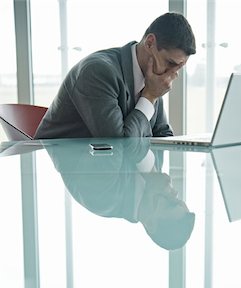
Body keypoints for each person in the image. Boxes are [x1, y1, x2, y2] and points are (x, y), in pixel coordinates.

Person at [34, 12, 196, 139]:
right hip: (64, 168)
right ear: (150, 43)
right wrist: (149, 97)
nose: (173, 74)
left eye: (180, 67)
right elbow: (119, 146)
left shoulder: (153, 74)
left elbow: (162, 134)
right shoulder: (98, 71)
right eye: (171, 63)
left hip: (108, 172)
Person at [46, 138, 195, 250]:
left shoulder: (104, 197)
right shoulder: (155, 181)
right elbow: (162, 130)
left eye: (170, 203)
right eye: (177, 197)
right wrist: (149, 98)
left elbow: (116, 137)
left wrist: (147, 99)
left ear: (150, 223)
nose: (173, 191)